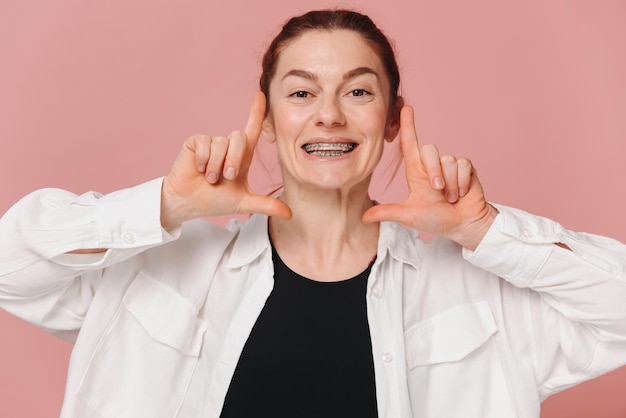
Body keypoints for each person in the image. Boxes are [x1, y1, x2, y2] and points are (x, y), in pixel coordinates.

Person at [1, 8, 626, 418]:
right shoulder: (162, 269)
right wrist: (166, 206)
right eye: (301, 92)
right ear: (268, 120)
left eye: (357, 91)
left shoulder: (478, 293)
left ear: (388, 121)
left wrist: (482, 230)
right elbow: (10, 266)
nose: (328, 114)